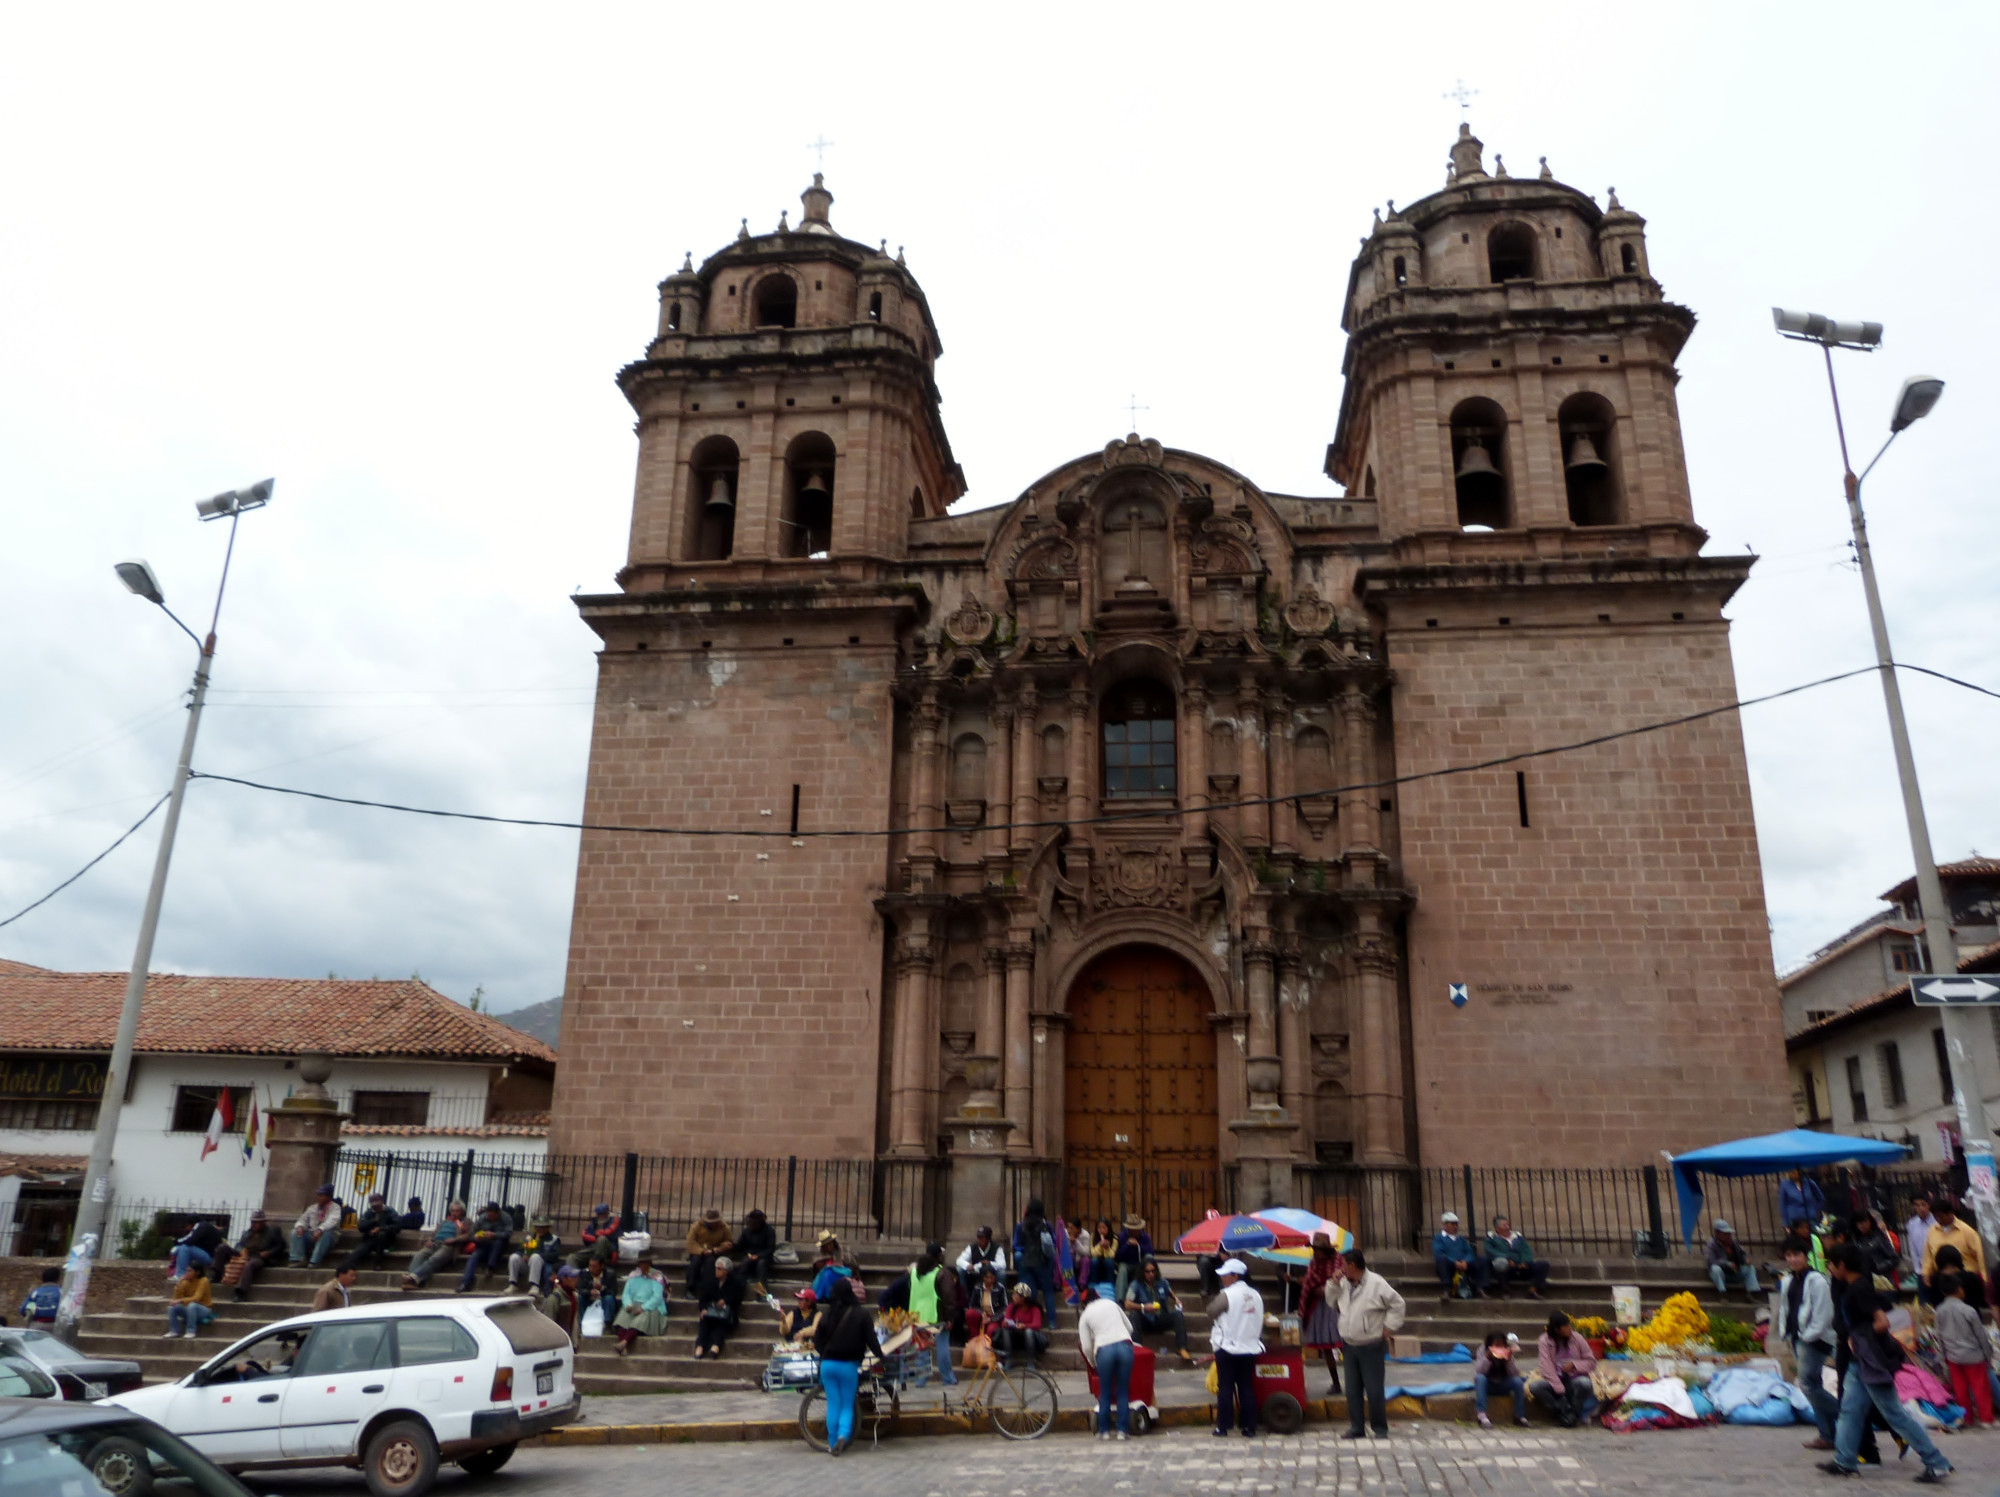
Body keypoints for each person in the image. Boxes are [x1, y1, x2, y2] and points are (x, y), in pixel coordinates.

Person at [1822, 1245, 1953, 1482]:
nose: (1829, 1269)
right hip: (1859, 1362)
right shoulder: (1852, 1287)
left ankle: (1937, 1462)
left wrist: (1859, 1337)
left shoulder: (1859, 1290)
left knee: (1894, 1413)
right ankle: (1844, 1460)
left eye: (1831, 1264)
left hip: (1870, 1361)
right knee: (1849, 1410)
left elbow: (1882, 1322)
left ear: (1841, 1264)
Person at [1334, 1248, 1404, 1440]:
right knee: (1352, 1389)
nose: (1341, 1269)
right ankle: (1357, 1427)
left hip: (1371, 1344)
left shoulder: (1376, 1283)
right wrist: (1333, 1285)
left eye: (1344, 1264)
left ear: (1353, 1265)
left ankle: (1380, 1428)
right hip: (1349, 1343)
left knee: (1373, 1389)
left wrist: (1389, 1326)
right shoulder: (1343, 1284)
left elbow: (1397, 1304)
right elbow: (1330, 1300)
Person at [1777, 1237, 1839, 1449]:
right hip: (1796, 1337)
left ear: (1806, 1257)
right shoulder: (1788, 1280)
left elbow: (1823, 1314)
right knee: (1814, 1384)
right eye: (1789, 1255)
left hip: (1814, 1339)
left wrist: (1808, 1336)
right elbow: (1786, 1308)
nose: (1793, 1259)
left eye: (1797, 1255)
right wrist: (1786, 1332)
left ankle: (1848, 1415)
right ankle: (1827, 1435)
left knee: (1807, 1385)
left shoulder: (1817, 1280)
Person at [812, 1278, 882, 1458]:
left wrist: (827, 1353)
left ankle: (832, 1442)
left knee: (833, 1403)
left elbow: (817, 1341)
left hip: (827, 1365)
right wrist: (882, 1357)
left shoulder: (826, 1314)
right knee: (846, 1404)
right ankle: (844, 1435)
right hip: (848, 1366)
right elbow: (872, 1341)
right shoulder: (861, 1314)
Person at [1207, 1257, 1264, 1438]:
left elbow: (1211, 1311)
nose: (1222, 1278)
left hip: (1228, 1347)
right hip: (1249, 1346)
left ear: (1235, 1276)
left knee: (1226, 1387)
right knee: (1246, 1386)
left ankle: (1223, 1427)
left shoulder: (1228, 1295)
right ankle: (1249, 1427)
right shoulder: (1255, 1295)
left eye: (1225, 1275)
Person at [1077, 1283, 1136, 1440]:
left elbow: (1087, 1347)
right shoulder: (1111, 1303)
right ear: (1098, 1296)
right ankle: (1122, 1432)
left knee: (1106, 1393)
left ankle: (1104, 1431)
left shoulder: (1085, 1316)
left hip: (1104, 1351)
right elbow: (1129, 1328)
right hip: (1125, 1347)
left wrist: (1092, 1362)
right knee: (1123, 1391)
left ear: (1084, 1304)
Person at [1934, 1271, 1993, 1427]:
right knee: (1980, 1388)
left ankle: (1966, 1418)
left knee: (1960, 1390)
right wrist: (1988, 1354)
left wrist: (1942, 1357)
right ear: (1960, 1289)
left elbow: (1938, 1336)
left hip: (1952, 1356)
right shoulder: (1969, 1310)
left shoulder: (1939, 1311)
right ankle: (1986, 1418)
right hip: (1973, 1355)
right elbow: (1981, 1335)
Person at [1123, 1257, 1193, 1365]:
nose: (1151, 1274)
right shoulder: (1135, 1284)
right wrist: (1144, 1307)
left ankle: (1182, 1347)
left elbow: (1170, 1292)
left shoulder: (1162, 1282)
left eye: (1153, 1271)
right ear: (1143, 1272)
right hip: (1145, 1320)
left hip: (1160, 1318)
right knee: (1134, 1315)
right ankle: (1136, 1348)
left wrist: (1176, 1299)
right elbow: (1127, 1304)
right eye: (1147, 1272)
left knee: (1177, 1315)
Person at [1534, 1312, 1598, 1427]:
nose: (1570, 1329)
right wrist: (1559, 1389)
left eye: (1570, 1325)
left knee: (1585, 1383)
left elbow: (1591, 1362)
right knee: (1535, 1387)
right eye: (1566, 1326)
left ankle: (1573, 1414)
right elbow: (1546, 1366)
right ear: (1557, 1329)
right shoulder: (1544, 1340)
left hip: (1574, 1379)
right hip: (1555, 1380)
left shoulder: (1577, 1338)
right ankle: (1563, 1412)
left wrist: (1574, 1365)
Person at [1298, 1234, 1341, 1391]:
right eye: (1314, 1249)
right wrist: (1318, 1290)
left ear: (1326, 1250)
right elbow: (1309, 1285)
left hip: (1337, 1306)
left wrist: (1329, 1289)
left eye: (1319, 1250)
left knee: (1347, 1345)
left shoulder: (1338, 1261)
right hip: (1319, 1307)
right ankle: (1336, 1383)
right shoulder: (1313, 1264)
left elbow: (1341, 1281)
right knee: (1327, 1348)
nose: (1316, 1253)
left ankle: (1357, 1381)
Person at [1920, 1197, 1984, 1302]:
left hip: (1964, 1281)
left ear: (1950, 1213)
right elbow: (1928, 1256)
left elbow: (1980, 1256)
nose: (1938, 1220)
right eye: (1935, 1217)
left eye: (1940, 1216)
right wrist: (1926, 1274)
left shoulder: (1967, 1231)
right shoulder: (1932, 1231)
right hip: (1941, 1281)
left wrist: (1983, 1279)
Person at [1012, 1198, 1058, 1325]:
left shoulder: (1021, 1226)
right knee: (1048, 1292)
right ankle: (1052, 1322)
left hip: (1026, 1262)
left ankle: (1029, 1320)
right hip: (1043, 1262)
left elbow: (1016, 1245)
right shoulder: (1047, 1226)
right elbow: (1053, 1244)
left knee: (1028, 1292)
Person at [612, 1255, 669, 1357]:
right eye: (641, 1263)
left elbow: (657, 1297)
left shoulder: (657, 1276)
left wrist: (643, 1307)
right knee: (623, 1318)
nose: (643, 1265)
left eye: (645, 1263)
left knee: (640, 1319)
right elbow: (626, 1293)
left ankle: (625, 1341)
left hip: (651, 1305)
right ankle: (622, 1346)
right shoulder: (633, 1275)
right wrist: (628, 1304)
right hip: (634, 1303)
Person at [404, 1202, 469, 1289]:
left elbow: (469, 1235)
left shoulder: (466, 1221)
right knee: (419, 1255)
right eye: (453, 1210)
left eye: (457, 1211)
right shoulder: (445, 1221)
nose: (454, 1213)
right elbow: (434, 1233)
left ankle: (413, 1279)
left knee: (435, 1258)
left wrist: (455, 1239)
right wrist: (430, 1239)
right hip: (435, 1243)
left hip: (449, 1246)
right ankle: (410, 1278)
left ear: (462, 1211)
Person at [1472, 1329, 1528, 1429]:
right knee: (1480, 1378)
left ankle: (1519, 1416)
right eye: (1496, 1345)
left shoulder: (1508, 1351)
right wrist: (1487, 1358)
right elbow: (1479, 1371)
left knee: (1518, 1381)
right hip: (1488, 1385)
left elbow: (1514, 1374)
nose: (1499, 1348)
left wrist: (1509, 1360)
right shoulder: (1482, 1350)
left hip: (1503, 1384)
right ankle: (1481, 1416)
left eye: (1501, 1345)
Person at [1482, 1216, 1550, 1299]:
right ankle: (1505, 1291)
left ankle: (1532, 1290)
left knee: (1543, 1265)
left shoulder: (1518, 1237)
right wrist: (1508, 1259)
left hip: (1521, 1266)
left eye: (1508, 1225)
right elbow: (1491, 1252)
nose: (1507, 1227)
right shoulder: (1491, 1238)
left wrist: (1525, 1262)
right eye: (1504, 1225)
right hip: (1507, 1268)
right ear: (1497, 1228)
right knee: (1500, 1264)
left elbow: (1526, 1250)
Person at [693, 1255, 744, 1359]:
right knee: (704, 1321)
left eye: (719, 1268)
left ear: (726, 1271)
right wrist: (703, 1309)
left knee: (721, 1323)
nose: (717, 1270)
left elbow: (737, 1298)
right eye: (716, 1267)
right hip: (711, 1309)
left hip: (726, 1312)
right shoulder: (710, 1281)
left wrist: (725, 1300)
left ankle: (716, 1345)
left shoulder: (735, 1282)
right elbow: (703, 1298)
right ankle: (700, 1346)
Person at [456, 1202, 513, 1292]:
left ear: (498, 1213)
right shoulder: (482, 1218)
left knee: (497, 1243)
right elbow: (472, 1234)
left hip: (499, 1244)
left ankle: (490, 1267)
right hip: (483, 1244)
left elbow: (508, 1233)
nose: (491, 1218)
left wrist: (494, 1235)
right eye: (489, 1216)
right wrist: (476, 1237)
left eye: (493, 1217)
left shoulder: (506, 1218)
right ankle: (465, 1283)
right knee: (474, 1257)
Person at [231, 1211, 288, 1300]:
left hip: (259, 1257)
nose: (253, 1225)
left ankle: (240, 1292)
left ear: (263, 1222)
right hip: (246, 1255)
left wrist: (269, 1252)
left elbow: (281, 1246)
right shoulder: (247, 1233)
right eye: (252, 1222)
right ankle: (216, 1274)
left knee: (249, 1264)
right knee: (222, 1248)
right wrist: (241, 1250)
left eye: (256, 1222)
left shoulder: (272, 1231)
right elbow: (238, 1245)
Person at [1431, 1211, 1488, 1300]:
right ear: (1445, 1225)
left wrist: (1466, 1261)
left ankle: (1480, 1289)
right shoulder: (1439, 1238)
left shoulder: (1461, 1239)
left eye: (1456, 1224)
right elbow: (1439, 1253)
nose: (1455, 1227)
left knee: (1482, 1259)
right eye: (1452, 1224)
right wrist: (1455, 1262)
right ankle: (1447, 1290)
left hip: (1464, 1264)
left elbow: (1469, 1252)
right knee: (1441, 1259)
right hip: (1450, 1265)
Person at [340, 1194, 404, 1272]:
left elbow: (397, 1226)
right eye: (373, 1205)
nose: (375, 1207)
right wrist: (373, 1221)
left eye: (377, 1205)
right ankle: (347, 1267)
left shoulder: (390, 1211)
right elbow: (361, 1226)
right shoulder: (369, 1213)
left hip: (386, 1239)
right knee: (358, 1251)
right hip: (371, 1239)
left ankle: (378, 1263)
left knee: (381, 1235)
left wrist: (381, 1228)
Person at [996, 1281, 1049, 1369]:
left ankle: (1030, 1362)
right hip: (1015, 1336)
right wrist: (1005, 1323)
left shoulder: (1034, 1308)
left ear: (1022, 1298)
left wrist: (1024, 1326)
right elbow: (1006, 1319)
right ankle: (1008, 1360)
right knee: (1005, 1331)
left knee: (1028, 1332)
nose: (1013, 1296)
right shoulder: (1011, 1307)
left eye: (1015, 1294)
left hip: (1030, 1338)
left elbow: (1037, 1324)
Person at [1703, 1220, 1760, 1298]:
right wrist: (1726, 1263)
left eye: (1729, 1233)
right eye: (1725, 1234)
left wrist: (1745, 1260)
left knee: (1750, 1268)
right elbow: (1711, 1261)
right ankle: (1722, 1293)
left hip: (1735, 1273)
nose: (1728, 1236)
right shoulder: (1711, 1244)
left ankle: (1752, 1293)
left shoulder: (1733, 1242)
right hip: (1721, 1275)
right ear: (1717, 1233)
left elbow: (1742, 1254)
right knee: (1715, 1269)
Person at [288, 1185, 341, 1267]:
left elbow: (332, 1221)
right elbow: (302, 1220)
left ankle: (315, 1261)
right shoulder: (312, 1208)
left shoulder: (336, 1208)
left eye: (321, 1195)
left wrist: (320, 1229)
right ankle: (298, 1259)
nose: (318, 1197)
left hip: (328, 1238)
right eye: (318, 1195)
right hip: (312, 1236)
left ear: (328, 1197)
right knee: (295, 1232)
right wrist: (300, 1226)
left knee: (326, 1233)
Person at [685, 1208, 733, 1295]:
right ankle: (690, 1288)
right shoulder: (696, 1226)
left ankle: (707, 1288)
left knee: (710, 1263)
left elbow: (728, 1242)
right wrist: (701, 1251)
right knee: (695, 1262)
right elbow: (690, 1243)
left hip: (714, 1252)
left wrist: (719, 1248)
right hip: (698, 1251)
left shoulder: (724, 1227)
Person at [167, 1217, 228, 1285]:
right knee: (180, 1249)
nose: (185, 1228)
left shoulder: (201, 1226)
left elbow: (190, 1240)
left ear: (190, 1224)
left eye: (186, 1226)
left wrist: (175, 1241)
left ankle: (180, 1275)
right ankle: (179, 1272)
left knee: (185, 1248)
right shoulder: (203, 1226)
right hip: (207, 1255)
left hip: (211, 1258)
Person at [508, 1215, 560, 1293]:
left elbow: (555, 1255)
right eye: (537, 1227)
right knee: (514, 1257)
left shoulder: (554, 1239)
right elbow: (520, 1250)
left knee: (535, 1257)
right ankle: (512, 1284)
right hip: (527, 1266)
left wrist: (537, 1255)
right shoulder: (529, 1238)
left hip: (543, 1267)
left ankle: (534, 1286)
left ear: (547, 1227)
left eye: (542, 1227)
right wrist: (523, 1255)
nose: (539, 1229)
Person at [1846, 1209, 1898, 1283]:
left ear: (1870, 1222)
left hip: (1881, 1280)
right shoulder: (1853, 1240)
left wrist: (1877, 1268)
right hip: (1862, 1281)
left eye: (1865, 1222)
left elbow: (1894, 1259)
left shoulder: (1879, 1237)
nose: (1863, 1225)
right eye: (1859, 1223)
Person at [164, 1262, 213, 1339]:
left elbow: (197, 1298)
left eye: (190, 1271)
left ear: (197, 1272)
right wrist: (179, 1283)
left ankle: (191, 1331)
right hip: (189, 1309)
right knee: (172, 1307)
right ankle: (174, 1331)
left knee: (192, 1305)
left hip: (203, 1310)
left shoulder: (204, 1281)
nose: (187, 1273)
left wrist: (180, 1301)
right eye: (187, 1271)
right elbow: (176, 1298)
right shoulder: (186, 1281)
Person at [734, 1209, 777, 1295]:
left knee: (761, 1265)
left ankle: (762, 1292)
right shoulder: (746, 1231)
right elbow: (741, 1245)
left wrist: (758, 1256)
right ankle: (738, 1289)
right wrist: (732, 1245)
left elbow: (770, 1249)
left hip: (764, 1257)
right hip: (750, 1256)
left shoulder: (769, 1231)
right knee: (745, 1264)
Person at [1112, 1214, 1153, 1303]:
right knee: (1122, 1268)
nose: (1135, 1232)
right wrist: (1127, 1245)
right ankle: (1120, 1299)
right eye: (1133, 1230)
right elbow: (1117, 1257)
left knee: (1149, 1258)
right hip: (1127, 1264)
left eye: (1137, 1230)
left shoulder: (1145, 1237)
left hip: (1140, 1264)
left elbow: (1151, 1253)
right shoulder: (1122, 1236)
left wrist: (1139, 1245)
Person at [956, 1226, 1008, 1293]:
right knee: (959, 1269)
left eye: (981, 1238)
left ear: (988, 1239)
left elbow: (1002, 1264)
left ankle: (1000, 1296)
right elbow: (959, 1260)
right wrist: (968, 1266)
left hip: (991, 1273)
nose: (979, 1240)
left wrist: (990, 1263)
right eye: (978, 1237)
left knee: (1001, 1273)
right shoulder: (972, 1247)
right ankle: (964, 1296)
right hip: (976, 1271)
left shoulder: (997, 1248)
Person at [570, 1203, 621, 1269]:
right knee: (571, 1257)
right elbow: (586, 1238)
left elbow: (614, 1237)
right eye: (599, 1214)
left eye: (602, 1213)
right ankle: (575, 1275)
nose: (600, 1216)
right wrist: (594, 1238)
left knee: (601, 1239)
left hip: (609, 1248)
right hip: (594, 1247)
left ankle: (598, 1266)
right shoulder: (593, 1223)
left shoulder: (614, 1221)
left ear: (607, 1213)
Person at [964, 1264, 1008, 1341]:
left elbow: (1004, 1308)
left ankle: (987, 1346)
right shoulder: (977, 1287)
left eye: (992, 1277)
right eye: (987, 1277)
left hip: (994, 1317)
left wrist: (991, 1319)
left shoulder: (1000, 1288)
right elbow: (972, 1305)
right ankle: (976, 1339)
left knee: (990, 1330)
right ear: (982, 1278)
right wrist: (982, 1313)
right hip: (982, 1315)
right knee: (969, 1313)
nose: (989, 1280)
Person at [580, 1255, 621, 1330]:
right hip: (589, 1299)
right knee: (579, 1298)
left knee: (609, 1298)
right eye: (590, 1266)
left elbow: (613, 1292)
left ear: (602, 1266)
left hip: (603, 1299)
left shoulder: (610, 1275)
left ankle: (607, 1324)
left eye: (594, 1266)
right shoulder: (584, 1273)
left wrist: (602, 1288)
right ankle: (581, 1323)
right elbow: (581, 1289)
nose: (591, 1269)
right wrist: (589, 1292)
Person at [1780, 1168, 1826, 1233]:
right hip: (1794, 1220)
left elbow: (1820, 1198)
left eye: (1794, 1172)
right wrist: (1785, 1223)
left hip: (1809, 1218)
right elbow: (1783, 1205)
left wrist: (1815, 1210)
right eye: (1790, 1172)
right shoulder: (1785, 1185)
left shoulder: (1809, 1183)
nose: (1791, 1174)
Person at [542, 1264, 581, 1336]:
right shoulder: (554, 1298)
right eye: (572, 1277)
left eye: (576, 1277)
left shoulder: (575, 1296)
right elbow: (548, 1323)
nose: (575, 1280)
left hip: (571, 1341)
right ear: (564, 1279)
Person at [1904, 1194, 1935, 1277]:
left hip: (1937, 1270)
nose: (1921, 1208)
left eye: (1923, 1204)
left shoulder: (1937, 1223)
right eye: (1917, 1205)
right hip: (1922, 1271)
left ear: (1929, 1205)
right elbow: (1913, 1248)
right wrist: (1918, 1270)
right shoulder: (1912, 1224)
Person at [1085, 1218, 1119, 1295]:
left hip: (1109, 1264)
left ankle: (1109, 1288)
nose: (1101, 1230)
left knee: (1109, 1262)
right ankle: (1092, 1288)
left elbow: (1112, 1255)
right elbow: (1093, 1253)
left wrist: (1107, 1248)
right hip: (1097, 1263)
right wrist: (1100, 1245)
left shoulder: (1114, 1238)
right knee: (1094, 1261)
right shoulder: (1093, 1236)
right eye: (1099, 1228)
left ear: (1108, 1228)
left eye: (1104, 1227)